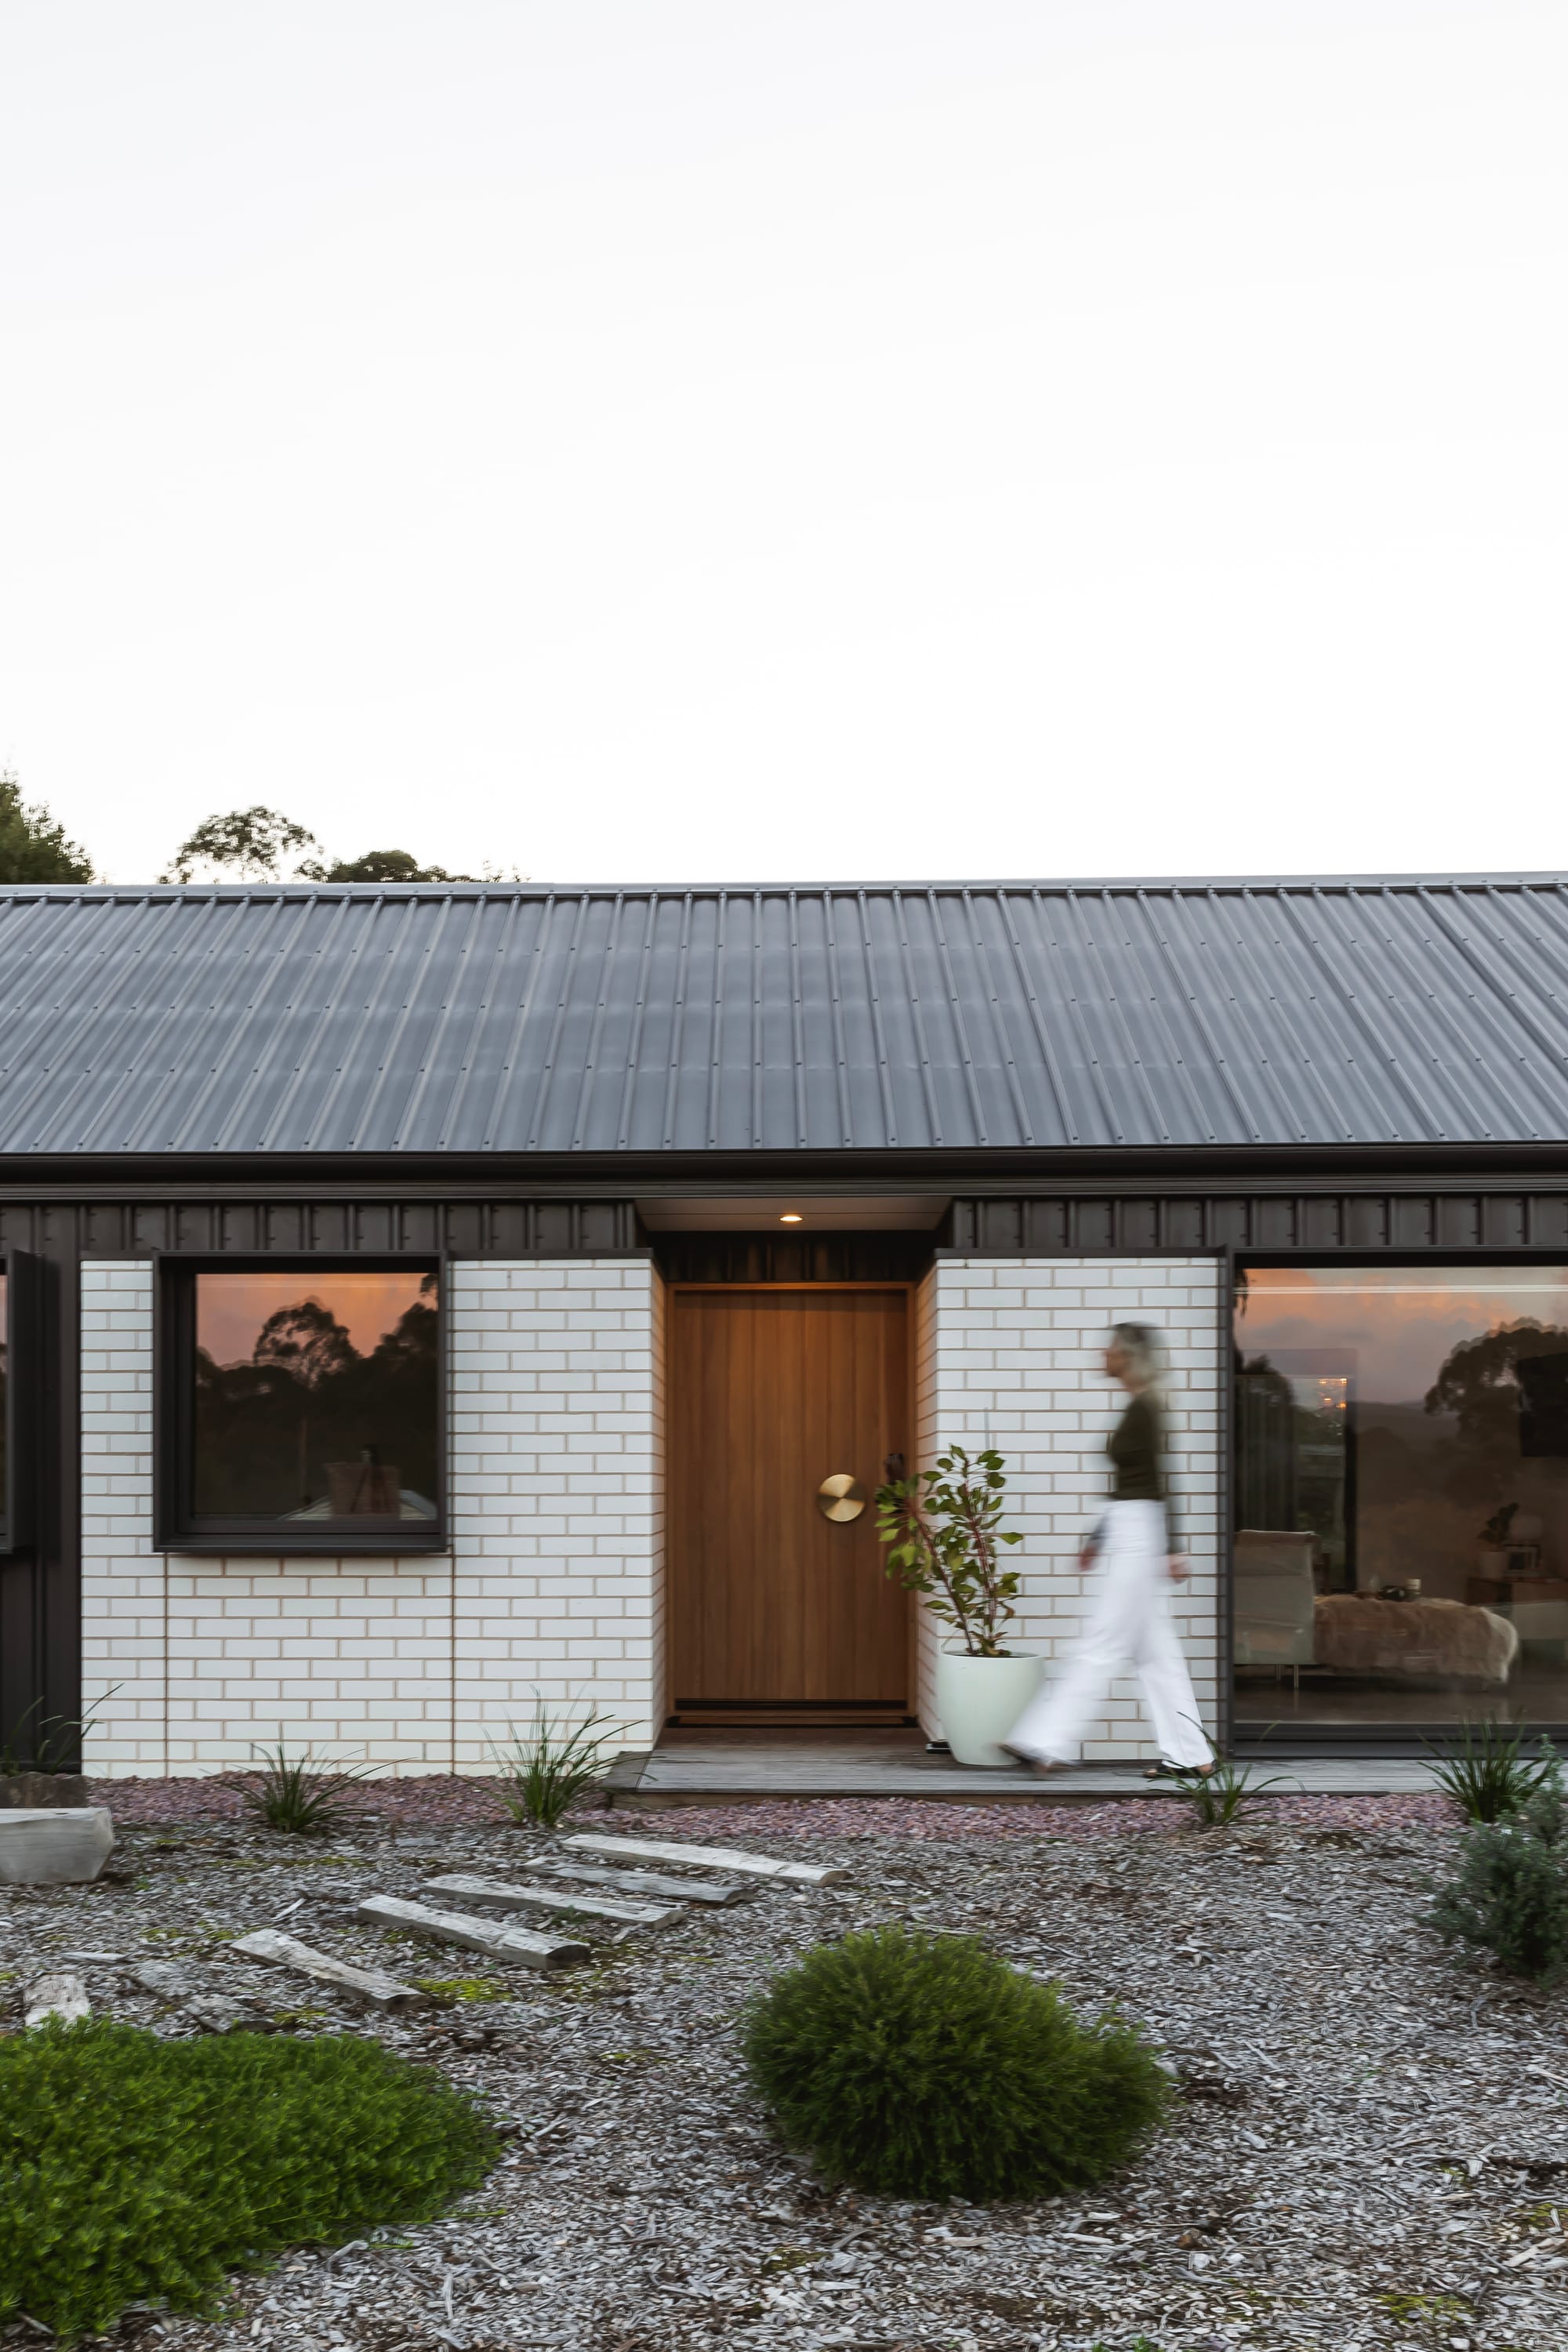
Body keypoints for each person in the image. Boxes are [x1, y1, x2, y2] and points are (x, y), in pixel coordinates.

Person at [1004, 1321, 1213, 1780]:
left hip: (1142, 1533)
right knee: (1156, 1654)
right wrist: (1099, 1536)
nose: (1104, 1355)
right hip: (1129, 1527)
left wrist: (1173, 1548)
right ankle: (1191, 1754)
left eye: (1112, 1349)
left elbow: (1162, 1482)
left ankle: (1046, 1741)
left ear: (1130, 1357)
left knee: (1101, 1640)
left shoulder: (1149, 1407)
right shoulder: (1138, 1406)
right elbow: (1127, 1485)